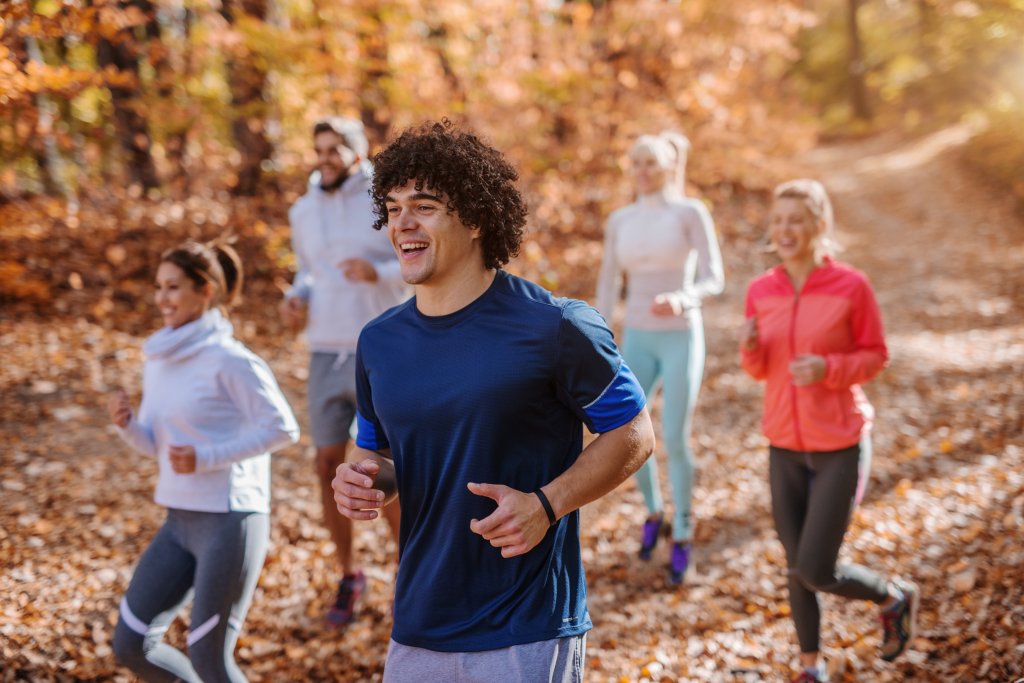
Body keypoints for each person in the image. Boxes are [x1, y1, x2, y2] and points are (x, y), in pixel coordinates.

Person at [330, 120, 656, 682]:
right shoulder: (377, 342)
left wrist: (548, 504)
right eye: (394, 206)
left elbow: (635, 433)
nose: (403, 221)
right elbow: (379, 458)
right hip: (418, 624)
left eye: (425, 205)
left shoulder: (555, 326)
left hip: (525, 625)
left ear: (476, 219)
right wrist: (361, 482)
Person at [738, 179, 919, 682]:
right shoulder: (761, 289)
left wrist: (829, 369)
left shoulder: (851, 285)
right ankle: (809, 668)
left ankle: (892, 595)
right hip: (783, 442)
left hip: (839, 441)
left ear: (820, 225)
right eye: (779, 220)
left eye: (796, 220)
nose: (785, 229)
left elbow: (876, 354)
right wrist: (749, 347)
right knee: (796, 563)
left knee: (817, 568)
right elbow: (759, 369)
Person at [109, 239, 299, 683]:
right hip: (179, 520)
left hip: (230, 520)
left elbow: (284, 428)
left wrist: (207, 456)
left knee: (209, 659)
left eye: (173, 287)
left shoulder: (231, 361)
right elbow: (161, 448)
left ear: (205, 290)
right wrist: (127, 425)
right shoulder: (161, 358)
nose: (162, 298)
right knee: (131, 645)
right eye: (159, 287)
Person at [280, 116, 405, 628]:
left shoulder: (384, 198)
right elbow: (309, 267)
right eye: (319, 149)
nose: (325, 157)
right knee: (328, 464)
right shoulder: (303, 209)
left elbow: (417, 258)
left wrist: (379, 272)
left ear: (358, 152)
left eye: (335, 149)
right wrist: (299, 294)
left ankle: (408, 572)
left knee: (386, 467)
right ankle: (349, 573)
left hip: (380, 349)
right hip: (323, 349)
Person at [594, 131, 724, 584]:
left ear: (670, 166)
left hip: (681, 335)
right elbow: (609, 282)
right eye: (636, 163)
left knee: (674, 435)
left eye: (651, 162)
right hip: (636, 338)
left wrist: (684, 297)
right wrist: (597, 332)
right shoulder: (620, 220)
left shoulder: (690, 212)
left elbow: (714, 278)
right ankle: (655, 513)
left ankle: (684, 533)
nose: (643, 171)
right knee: (630, 433)